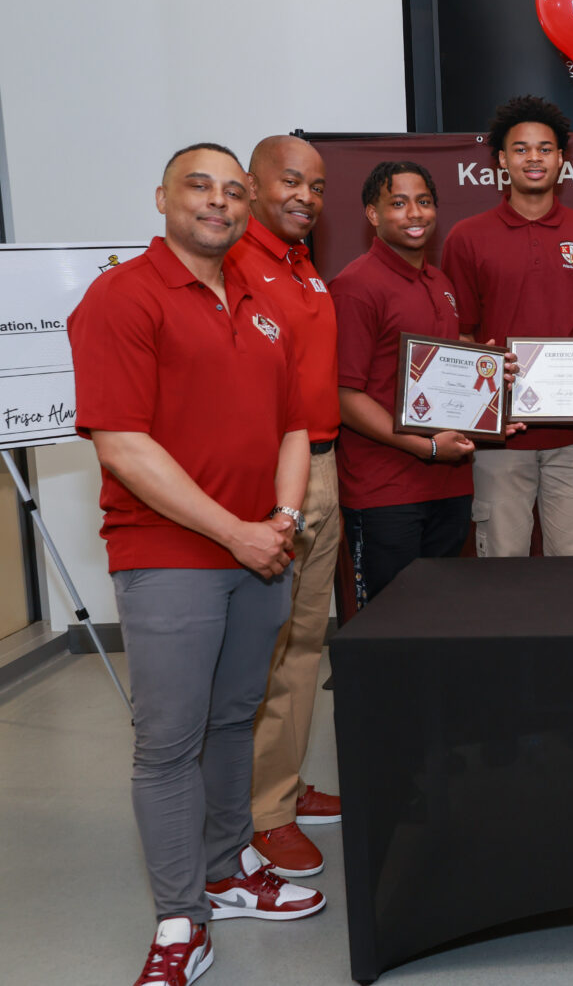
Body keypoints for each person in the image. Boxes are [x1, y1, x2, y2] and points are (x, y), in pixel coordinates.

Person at [69, 143, 325, 986]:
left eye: (232, 192)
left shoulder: (262, 301)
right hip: (170, 555)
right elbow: (123, 443)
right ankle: (181, 918)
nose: (218, 203)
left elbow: (295, 425)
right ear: (162, 198)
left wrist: (280, 522)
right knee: (169, 743)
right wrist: (235, 531)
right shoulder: (122, 297)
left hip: (259, 553)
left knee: (232, 718)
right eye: (199, 188)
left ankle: (227, 866)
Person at [225, 135, 340, 879]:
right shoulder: (231, 264)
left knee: (304, 644)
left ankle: (284, 787)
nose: (305, 196)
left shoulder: (305, 269)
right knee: (262, 651)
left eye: (317, 186)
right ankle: (261, 814)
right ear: (254, 185)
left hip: (324, 465)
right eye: (290, 181)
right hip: (271, 479)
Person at [441, 95, 573, 557]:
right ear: (502, 159)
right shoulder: (466, 236)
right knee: (502, 574)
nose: (533, 158)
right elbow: (462, 338)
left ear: (562, 158)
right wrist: (482, 406)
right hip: (500, 440)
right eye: (520, 149)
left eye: (544, 148)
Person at [332, 162, 482, 598]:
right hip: (385, 490)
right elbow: (345, 396)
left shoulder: (441, 282)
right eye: (398, 203)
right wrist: (427, 447)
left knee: (437, 619)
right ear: (373, 215)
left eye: (424, 201)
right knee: (388, 623)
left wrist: (488, 392)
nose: (414, 213)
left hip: (449, 483)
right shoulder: (355, 286)